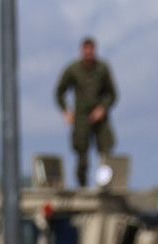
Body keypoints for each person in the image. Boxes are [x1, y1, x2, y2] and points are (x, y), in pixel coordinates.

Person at [54, 36, 117, 188]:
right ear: (82, 51)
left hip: (100, 116)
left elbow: (113, 94)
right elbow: (59, 92)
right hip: (81, 116)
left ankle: (106, 185)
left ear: (95, 50)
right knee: (82, 154)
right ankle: (82, 186)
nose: (89, 53)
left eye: (91, 50)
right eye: (86, 50)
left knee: (106, 152)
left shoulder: (102, 69)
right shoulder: (73, 69)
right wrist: (66, 111)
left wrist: (103, 108)